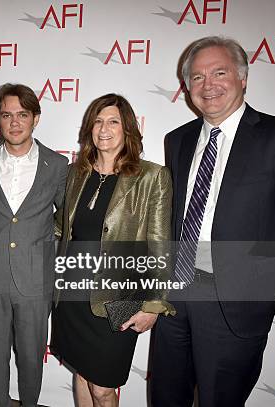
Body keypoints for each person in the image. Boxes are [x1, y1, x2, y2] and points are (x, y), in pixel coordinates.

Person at [151, 36, 275, 407]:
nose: (207, 84)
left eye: (219, 72)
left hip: (233, 301)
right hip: (175, 293)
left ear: (243, 78)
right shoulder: (176, 140)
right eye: (196, 77)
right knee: (167, 395)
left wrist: (262, 279)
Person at [50, 94, 174, 407]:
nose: (104, 128)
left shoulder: (151, 177)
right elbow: (60, 227)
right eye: (98, 121)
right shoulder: (75, 173)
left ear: (127, 129)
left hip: (119, 299)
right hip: (73, 295)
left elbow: (160, 243)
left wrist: (154, 304)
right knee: (81, 373)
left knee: (103, 389)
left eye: (113, 121)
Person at [0, 83, 68, 407]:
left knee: (30, 359)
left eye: (22, 114)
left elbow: (68, 220)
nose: (14, 123)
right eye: (7, 115)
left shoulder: (56, 165)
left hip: (35, 280)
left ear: (36, 118)